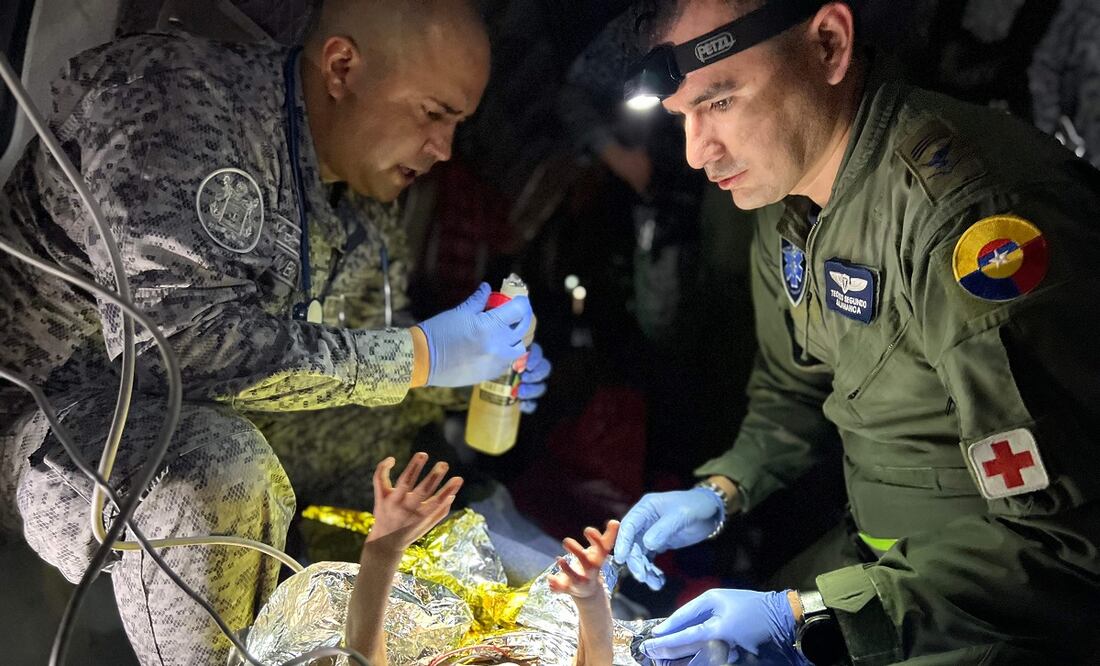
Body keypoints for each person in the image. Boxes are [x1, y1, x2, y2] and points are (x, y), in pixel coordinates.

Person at [0, 1, 547, 663]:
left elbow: (344, 345)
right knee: (217, 471)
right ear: (342, 66)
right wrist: (422, 356)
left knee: (408, 475)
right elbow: (175, 353)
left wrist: (463, 378)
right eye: (434, 113)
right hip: (56, 418)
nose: (443, 149)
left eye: (458, 124)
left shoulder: (358, 208)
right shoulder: (172, 102)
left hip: (217, 414)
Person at [612, 0, 1100, 663]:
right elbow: (793, 389)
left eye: (721, 103)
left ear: (829, 46)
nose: (698, 153)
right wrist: (723, 488)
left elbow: (1068, 548)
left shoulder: (966, 223)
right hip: (881, 557)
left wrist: (807, 613)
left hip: (1004, 611)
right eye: (683, 119)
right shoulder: (788, 199)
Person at [346, 451, 619, 666]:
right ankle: (483, 485)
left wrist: (384, 546)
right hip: (530, 623)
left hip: (443, 625)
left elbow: (363, 656)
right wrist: (588, 596)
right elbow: (596, 658)